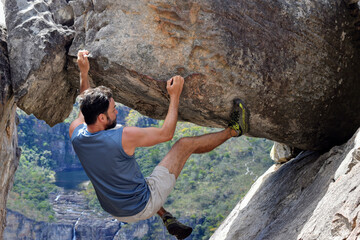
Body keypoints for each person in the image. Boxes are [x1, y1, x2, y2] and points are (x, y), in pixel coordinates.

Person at [69, 50, 250, 239]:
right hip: (142, 205)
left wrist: (84, 72)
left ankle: (165, 216)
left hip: (113, 209)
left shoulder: (76, 132)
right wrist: (175, 95)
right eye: (113, 110)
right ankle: (235, 129)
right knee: (184, 145)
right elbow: (166, 134)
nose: (117, 112)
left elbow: (84, 103)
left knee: (131, 178)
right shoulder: (123, 137)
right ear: (101, 117)